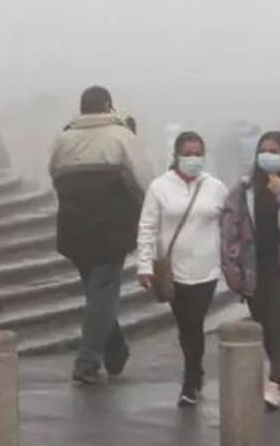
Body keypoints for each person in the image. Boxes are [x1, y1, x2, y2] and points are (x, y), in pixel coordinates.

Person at [49, 85, 153, 386]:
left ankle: (115, 348)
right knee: (103, 292)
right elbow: (143, 179)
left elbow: (53, 173)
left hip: (73, 227)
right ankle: (87, 362)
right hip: (112, 227)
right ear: (108, 106)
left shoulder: (64, 137)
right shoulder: (122, 137)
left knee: (97, 293)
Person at [221, 131, 280, 410]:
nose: (268, 155)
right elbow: (230, 228)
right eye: (263, 150)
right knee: (265, 326)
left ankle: (274, 381)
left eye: (274, 150)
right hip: (255, 269)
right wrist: (231, 263)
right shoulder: (243, 189)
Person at [137, 131, 229, 407]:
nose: (193, 159)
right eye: (187, 154)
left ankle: (190, 379)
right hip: (173, 272)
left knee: (194, 322)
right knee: (186, 324)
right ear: (176, 156)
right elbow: (147, 227)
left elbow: (230, 225)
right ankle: (195, 368)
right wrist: (144, 265)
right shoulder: (159, 187)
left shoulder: (215, 187)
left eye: (197, 153)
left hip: (207, 269)